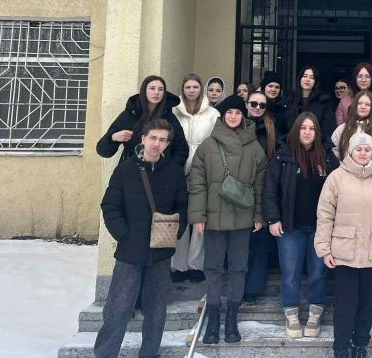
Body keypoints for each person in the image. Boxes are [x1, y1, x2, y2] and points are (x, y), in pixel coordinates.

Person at [93, 119, 188, 358]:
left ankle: (149, 353)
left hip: (160, 253)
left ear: (167, 144)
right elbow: (110, 206)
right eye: (153, 138)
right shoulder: (125, 170)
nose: (157, 144)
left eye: (163, 140)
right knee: (118, 309)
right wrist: (124, 235)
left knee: (156, 311)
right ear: (143, 139)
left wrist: (173, 233)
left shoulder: (174, 172)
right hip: (130, 252)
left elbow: (183, 207)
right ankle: (105, 354)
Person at [189, 96, 267, 345]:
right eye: (229, 112)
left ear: (243, 116)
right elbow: (197, 183)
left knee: (238, 268)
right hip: (214, 217)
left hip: (243, 217)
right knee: (213, 268)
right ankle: (213, 318)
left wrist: (259, 215)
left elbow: (260, 186)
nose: (233, 116)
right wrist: (198, 215)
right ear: (222, 116)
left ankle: (232, 317)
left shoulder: (254, 147)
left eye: (237, 112)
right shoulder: (208, 145)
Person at [315, 133, 372, 358]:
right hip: (345, 252)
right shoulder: (336, 177)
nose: (363, 153)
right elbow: (325, 215)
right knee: (345, 303)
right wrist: (324, 249)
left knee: (367, 303)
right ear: (351, 151)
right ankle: (341, 345)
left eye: (367, 149)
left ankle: (361, 342)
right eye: (359, 149)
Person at [264, 113, 339, 338]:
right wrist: (273, 219)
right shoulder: (283, 156)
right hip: (290, 227)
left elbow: (340, 190)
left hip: (320, 228)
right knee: (290, 273)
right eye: (303, 128)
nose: (307, 132)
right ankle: (291, 313)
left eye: (312, 128)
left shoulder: (327, 157)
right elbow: (270, 190)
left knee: (318, 273)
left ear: (317, 132)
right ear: (296, 130)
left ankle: (315, 314)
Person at [171, 74, 218, 283]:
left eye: (195, 87)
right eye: (188, 87)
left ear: (201, 89)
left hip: (203, 169)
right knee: (180, 215)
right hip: (178, 169)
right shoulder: (174, 111)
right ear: (183, 89)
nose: (191, 90)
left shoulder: (213, 113)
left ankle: (196, 265)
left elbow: (216, 142)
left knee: (199, 217)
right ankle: (178, 265)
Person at [96, 75, 189, 168]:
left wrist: (170, 168)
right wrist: (113, 138)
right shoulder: (130, 115)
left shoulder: (170, 118)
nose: (156, 92)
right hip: (131, 172)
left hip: (162, 173)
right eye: (152, 88)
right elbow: (103, 151)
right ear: (144, 91)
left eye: (161, 89)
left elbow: (182, 149)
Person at [243, 90, 280, 304]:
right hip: (240, 188)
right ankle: (238, 284)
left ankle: (253, 287)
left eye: (262, 105)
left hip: (264, 186)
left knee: (260, 239)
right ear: (246, 104)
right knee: (241, 240)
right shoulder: (238, 125)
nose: (257, 108)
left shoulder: (271, 128)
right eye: (254, 104)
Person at [331, 90, 372, 179]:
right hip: (345, 181)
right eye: (359, 103)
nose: (363, 107)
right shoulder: (341, 130)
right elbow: (333, 156)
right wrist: (344, 175)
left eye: (367, 104)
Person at [281, 65, 336, 138]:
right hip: (290, 142)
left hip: (315, 142)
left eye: (312, 77)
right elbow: (282, 126)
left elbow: (327, 129)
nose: (308, 79)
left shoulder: (323, 102)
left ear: (315, 82)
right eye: (305, 76)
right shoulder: (288, 100)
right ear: (300, 79)